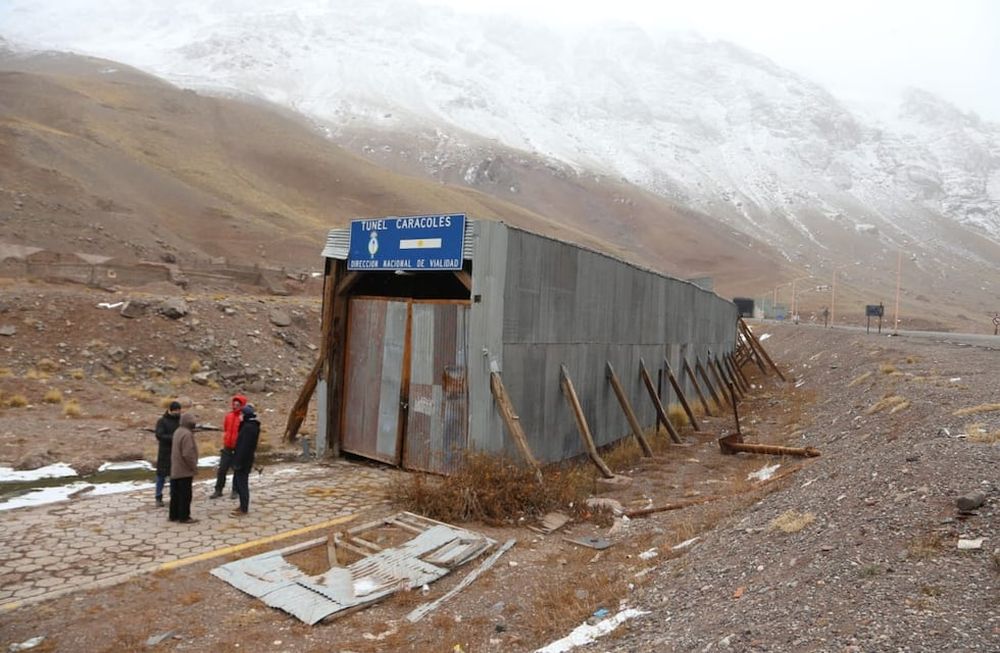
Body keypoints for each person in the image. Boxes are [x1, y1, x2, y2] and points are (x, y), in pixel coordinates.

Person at [211, 394, 247, 499]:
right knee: (222, 469)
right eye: (234, 404)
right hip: (227, 446)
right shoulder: (229, 416)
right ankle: (218, 490)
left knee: (236, 470)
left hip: (238, 448)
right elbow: (226, 429)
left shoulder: (243, 418)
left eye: (237, 404)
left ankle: (235, 490)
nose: (235, 406)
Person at [169, 412, 199, 524]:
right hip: (184, 470)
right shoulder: (187, 434)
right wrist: (193, 466)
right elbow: (187, 454)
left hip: (175, 469)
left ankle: (173, 515)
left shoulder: (177, 431)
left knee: (175, 494)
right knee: (185, 495)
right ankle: (184, 517)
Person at [231, 404, 260, 517]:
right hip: (244, 459)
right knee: (240, 483)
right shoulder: (250, 426)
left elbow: (244, 447)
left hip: (243, 461)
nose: (239, 416)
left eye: (241, 414)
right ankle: (242, 505)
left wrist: (237, 462)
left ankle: (244, 508)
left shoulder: (248, 428)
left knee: (242, 484)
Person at [153, 400, 182, 507]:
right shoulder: (162, 421)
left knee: (174, 476)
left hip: (176, 452)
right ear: (170, 410)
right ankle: (158, 497)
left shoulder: (180, 421)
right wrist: (174, 438)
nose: (177, 412)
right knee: (161, 476)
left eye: (178, 411)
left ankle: (174, 496)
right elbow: (159, 435)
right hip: (165, 453)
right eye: (175, 411)